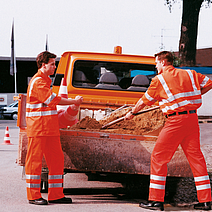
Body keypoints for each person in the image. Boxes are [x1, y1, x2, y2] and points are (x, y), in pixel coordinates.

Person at [125, 51, 212, 211]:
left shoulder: (159, 80)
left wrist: (131, 113)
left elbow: (144, 101)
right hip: (192, 119)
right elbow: (208, 83)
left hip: (176, 121)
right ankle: (206, 201)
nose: (156, 66)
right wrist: (190, 99)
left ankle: (155, 201)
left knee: (158, 158)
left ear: (163, 62)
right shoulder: (191, 74)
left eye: (156, 63)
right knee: (196, 158)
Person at [25, 51, 83, 205]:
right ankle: (33, 196)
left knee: (57, 161)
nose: (55, 67)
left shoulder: (44, 81)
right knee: (34, 162)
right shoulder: (38, 82)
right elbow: (52, 100)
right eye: (52, 64)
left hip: (49, 129)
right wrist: (73, 101)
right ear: (43, 65)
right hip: (38, 129)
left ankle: (56, 195)